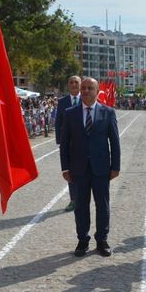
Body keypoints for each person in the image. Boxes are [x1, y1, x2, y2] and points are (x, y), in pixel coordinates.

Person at [59, 77, 120, 257]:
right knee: (81, 207)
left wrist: (115, 166)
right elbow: (64, 144)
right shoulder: (70, 113)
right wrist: (65, 168)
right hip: (78, 169)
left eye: (90, 88)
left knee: (103, 205)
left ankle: (102, 240)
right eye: (83, 88)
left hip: (101, 168)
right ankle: (82, 240)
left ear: (97, 90)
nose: (85, 91)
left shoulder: (108, 112)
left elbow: (114, 141)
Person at [55, 75, 81, 212]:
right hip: (69, 144)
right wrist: (60, 142)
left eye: (76, 82)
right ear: (68, 85)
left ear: (80, 84)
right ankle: (73, 200)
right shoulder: (62, 102)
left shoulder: (87, 98)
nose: (73, 84)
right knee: (70, 173)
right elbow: (58, 122)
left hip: (85, 144)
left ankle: (85, 198)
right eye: (71, 82)